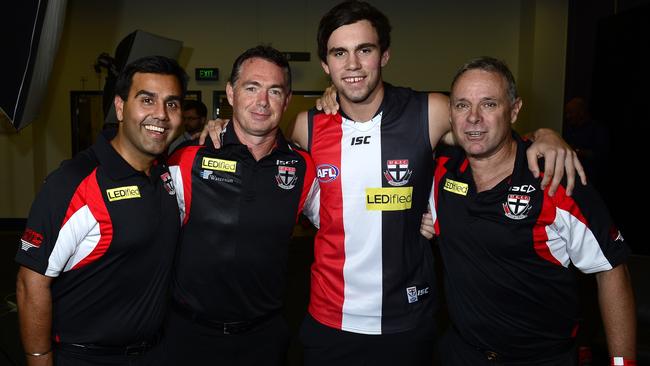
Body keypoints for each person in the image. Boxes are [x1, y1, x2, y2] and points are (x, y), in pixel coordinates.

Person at [200, 2, 583, 364]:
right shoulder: (308, 126)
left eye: (364, 50)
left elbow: (486, 131)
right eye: (339, 53)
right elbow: (261, 153)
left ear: (384, 55)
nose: (352, 64)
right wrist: (220, 128)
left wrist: (544, 134)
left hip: (408, 320)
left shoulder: (428, 112)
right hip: (329, 320)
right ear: (325, 64)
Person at [431, 56, 636, 365]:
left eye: (489, 104)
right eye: (462, 105)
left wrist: (623, 364)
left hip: (540, 358)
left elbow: (610, 268)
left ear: (514, 110)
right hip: (461, 352)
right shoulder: (440, 172)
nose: (473, 117)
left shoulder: (555, 180)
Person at [15, 56, 187, 366]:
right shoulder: (74, 182)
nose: (160, 114)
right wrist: (38, 359)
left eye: (172, 104)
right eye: (147, 100)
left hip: (156, 352)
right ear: (120, 107)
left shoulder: (168, 176)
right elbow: (32, 283)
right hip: (87, 357)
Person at [160, 45, 317, 366]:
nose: (262, 101)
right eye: (251, 88)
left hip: (264, 337)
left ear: (287, 100)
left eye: (274, 91)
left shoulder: (302, 168)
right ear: (230, 93)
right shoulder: (188, 159)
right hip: (189, 336)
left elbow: (342, 223)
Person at [563, 96, 610, 189]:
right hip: (572, 179)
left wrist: (577, 152)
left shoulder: (597, 130)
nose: (567, 116)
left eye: (570, 112)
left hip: (592, 179)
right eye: (566, 113)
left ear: (581, 112)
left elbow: (601, 154)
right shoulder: (569, 129)